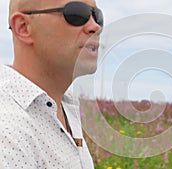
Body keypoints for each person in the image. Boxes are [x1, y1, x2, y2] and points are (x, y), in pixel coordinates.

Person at [0, 0, 103, 168]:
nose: (95, 27)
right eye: (77, 14)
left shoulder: (62, 104)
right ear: (23, 27)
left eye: (97, 17)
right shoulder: (7, 132)